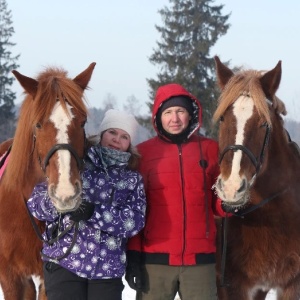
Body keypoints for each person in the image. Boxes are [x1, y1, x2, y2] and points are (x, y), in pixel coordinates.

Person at [27, 109, 147, 300]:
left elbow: (134, 222)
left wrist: (93, 213)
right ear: (101, 134)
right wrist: (61, 204)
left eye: (124, 136)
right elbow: (35, 203)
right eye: (112, 132)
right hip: (64, 263)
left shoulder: (132, 179)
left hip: (107, 271)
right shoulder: (74, 162)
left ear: (129, 144)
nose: (117, 139)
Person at [125, 83, 228, 300]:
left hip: (200, 261)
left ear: (191, 115)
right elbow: (136, 210)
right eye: (168, 112)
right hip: (154, 261)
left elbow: (217, 198)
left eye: (180, 111)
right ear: (158, 116)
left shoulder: (210, 150)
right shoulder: (143, 154)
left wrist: (228, 203)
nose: (175, 118)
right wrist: (133, 255)